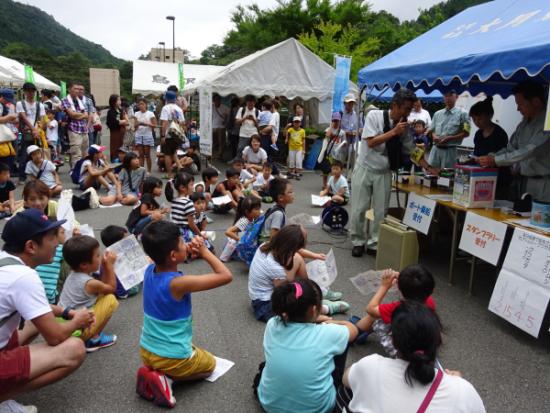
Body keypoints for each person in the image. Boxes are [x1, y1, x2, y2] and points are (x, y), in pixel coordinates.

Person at [0, 209, 93, 407]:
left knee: (35, 323)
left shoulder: (5, 262)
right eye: (52, 237)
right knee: (74, 349)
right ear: (31, 246)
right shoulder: (24, 277)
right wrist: (78, 320)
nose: (58, 243)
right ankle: (2, 399)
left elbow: (37, 307)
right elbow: (55, 337)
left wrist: (65, 312)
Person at [135, 220, 232, 408]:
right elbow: (225, 276)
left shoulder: (149, 268)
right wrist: (205, 252)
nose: (185, 244)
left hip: (147, 350)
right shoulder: (178, 283)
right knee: (210, 366)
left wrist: (183, 250)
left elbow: (159, 254)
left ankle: (152, 371)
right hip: (172, 358)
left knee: (194, 350)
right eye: (182, 242)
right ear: (172, 255)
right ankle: (166, 379)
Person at [339, 301, 486, 413]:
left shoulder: (370, 366)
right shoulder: (463, 391)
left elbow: (345, 378)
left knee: (347, 391)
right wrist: (456, 381)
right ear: (438, 341)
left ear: (393, 342)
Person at [350, 89, 436, 257]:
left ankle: (375, 242)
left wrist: (427, 166)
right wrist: (394, 132)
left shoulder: (404, 126)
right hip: (365, 167)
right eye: (406, 108)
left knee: (381, 210)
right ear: (395, 106)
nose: (408, 113)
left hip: (384, 171)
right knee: (359, 208)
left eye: (410, 109)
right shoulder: (374, 116)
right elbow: (371, 142)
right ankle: (358, 241)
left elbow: (411, 149)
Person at [254, 278, 358, 413]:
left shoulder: (273, 323)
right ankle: (334, 381)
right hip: (318, 409)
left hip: (269, 404)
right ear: (314, 310)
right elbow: (353, 330)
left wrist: (318, 320)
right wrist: (329, 322)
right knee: (343, 340)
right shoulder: (327, 333)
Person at [248, 225, 348, 322]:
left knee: (297, 258)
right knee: (294, 308)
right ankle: (323, 309)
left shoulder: (267, 245)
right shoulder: (275, 268)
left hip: (263, 293)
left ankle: (313, 293)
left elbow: (297, 251)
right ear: (291, 247)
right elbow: (283, 298)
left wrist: (315, 255)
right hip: (265, 306)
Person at [476, 81, 550, 202]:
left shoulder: (547, 123)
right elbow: (511, 148)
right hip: (524, 183)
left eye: (520, 104)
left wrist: (496, 160)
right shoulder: (524, 123)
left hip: (544, 185)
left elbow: (530, 150)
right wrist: (491, 157)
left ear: (536, 102)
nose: (517, 108)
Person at [350, 264, 436, 353]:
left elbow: (370, 309)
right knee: (383, 314)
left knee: (374, 317)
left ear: (399, 287)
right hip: (425, 347)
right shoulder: (429, 301)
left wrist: (384, 286)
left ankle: (352, 333)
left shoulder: (399, 308)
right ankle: (361, 332)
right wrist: (404, 280)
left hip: (404, 352)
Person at [58, 235, 119, 352]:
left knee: (104, 294)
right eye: (97, 255)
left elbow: (104, 287)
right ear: (84, 264)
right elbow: (111, 288)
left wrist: (105, 267)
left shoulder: (74, 274)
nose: (100, 257)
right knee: (111, 299)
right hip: (77, 330)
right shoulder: (89, 283)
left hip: (64, 325)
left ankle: (90, 336)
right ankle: (93, 339)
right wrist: (110, 266)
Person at [469, 97, 510, 199]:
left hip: (498, 179)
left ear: (489, 116)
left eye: (480, 118)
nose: (477, 122)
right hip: (480, 177)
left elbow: (503, 156)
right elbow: (476, 154)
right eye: (474, 119)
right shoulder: (478, 134)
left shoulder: (499, 134)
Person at [427, 90, 470, 169]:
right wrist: (434, 136)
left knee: (447, 177)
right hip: (435, 150)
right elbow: (431, 130)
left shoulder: (463, 114)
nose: (447, 97)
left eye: (450, 95)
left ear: (456, 96)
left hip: (450, 150)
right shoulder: (437, 114)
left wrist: (450, 138)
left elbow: (467, 133)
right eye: (445, 95)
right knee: (431, 173)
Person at [100, 225, 142, 299]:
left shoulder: (107, 254)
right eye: (125, 239)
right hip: (125, 290)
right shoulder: (113, 258)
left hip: (118, 287)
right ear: (116, 244)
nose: (128, 240)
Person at [17, 82, 46, 184]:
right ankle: (22, 177)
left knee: (38, 155)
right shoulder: (20, 104)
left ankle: (39, 175)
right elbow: (24, 118)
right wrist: (33, 130)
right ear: (24, 92)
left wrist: (38, 130)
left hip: (37, 133)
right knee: (24, 154)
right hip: (26, 133)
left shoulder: (40, 105)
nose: (31, 93)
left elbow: (42, 119)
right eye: (28, 91)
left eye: (33, 91)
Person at [165, 172, 202, 243]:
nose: (193, 187)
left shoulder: (174, 200)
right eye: (191, 185)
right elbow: (191, 224)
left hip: (174, 232)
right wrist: (200, 235)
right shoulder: (188, 202)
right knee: (208, 247)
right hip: (185, 233)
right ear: (182, 187)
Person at [35, 224, 67, 304]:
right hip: (52, 297)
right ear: (53, 237)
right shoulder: (61, 249)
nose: (65, 236)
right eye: (62, 233)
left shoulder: (37, 250)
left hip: (37, 295)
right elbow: (77, 251)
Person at [61, 83, 89, 168]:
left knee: (85, 152)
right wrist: (81, 115)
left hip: (83, 128)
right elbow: (71, 114)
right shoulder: (65, 100)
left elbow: (86, 114)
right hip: (73, 129)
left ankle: (84, 170)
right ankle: (76, 171)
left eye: (78, 89)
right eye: (75, 89)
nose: (77, 91)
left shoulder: (80, 100)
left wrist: (78, 115)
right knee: (76, 153)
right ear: (69, 90)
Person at [160, 90, 185, 180]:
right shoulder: (179, 109)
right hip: (177, 134)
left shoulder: (165, 108)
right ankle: (179, 165)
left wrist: (163, 135)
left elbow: (165, 123)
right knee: (173, 152)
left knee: (167, 154)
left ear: (166, 98)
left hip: (169, 134)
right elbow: (182, 122)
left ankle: (170, 174)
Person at [318, 112, 346, 188]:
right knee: (325, 171)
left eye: (337, 120)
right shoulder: (328, 129)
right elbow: (327, 136)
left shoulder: (342, 132)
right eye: (334, 120)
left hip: (337, 155)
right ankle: (324, 185)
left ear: (340, 121)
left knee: (335, 171)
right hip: (328, 154)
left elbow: (344, 142)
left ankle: (333, 186)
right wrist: (331, 126)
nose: (336, 122)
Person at [134, 97, 157, 173]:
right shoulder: (136, 113)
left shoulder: (150, 113)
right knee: (140, 155)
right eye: (139, 104)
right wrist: (137, 124)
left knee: (147, 155)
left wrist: (146, 124)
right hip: (138, 135)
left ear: (146, 105)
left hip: (147, 135)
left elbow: (155, 125)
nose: (141, 106)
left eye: (142, 104)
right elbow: (134, 125)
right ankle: (141, 171)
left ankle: (149, 171)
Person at [341, 93, 364, 165]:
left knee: (354, 162)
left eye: (352, 103)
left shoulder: (357, 114)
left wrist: (357, 132)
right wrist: (346, 132)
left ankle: (352, 175)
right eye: (349, 103)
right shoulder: (340, 114)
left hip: (354, 142)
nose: (351, 105)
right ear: (345, 103)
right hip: (343, 142)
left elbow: (361, 128)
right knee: (340, 162)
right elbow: (337, 128)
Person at [106, 94, 129, 162]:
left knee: (123, 148)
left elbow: (127, 121)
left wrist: (123, 121)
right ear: (113, 101)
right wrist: (122, 121)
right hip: (115, 133)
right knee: (115, 148)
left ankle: (123, 162)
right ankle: (115, 163)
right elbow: (115, 122)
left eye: (120, 100)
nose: (120, 101)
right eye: (118, 100)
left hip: (122, 132)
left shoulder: (121, 110)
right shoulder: (110, 111)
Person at [0, 88, 18, 173]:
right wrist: (9, 117)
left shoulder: (2, 106)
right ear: (2, 97)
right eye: (7, 100)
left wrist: (12, 120)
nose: (8, 102)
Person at [212, 93, 229, 160]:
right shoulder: (211, 106)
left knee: (221, 142)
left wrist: (226, 120)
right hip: (213, 126)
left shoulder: (224, 107)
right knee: (215, 141)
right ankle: (215, 154)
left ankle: (220, 155)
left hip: (222, 127)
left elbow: (229, 115)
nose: (216, 101)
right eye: (215, 100)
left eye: (217, 100)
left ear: (220, 100)